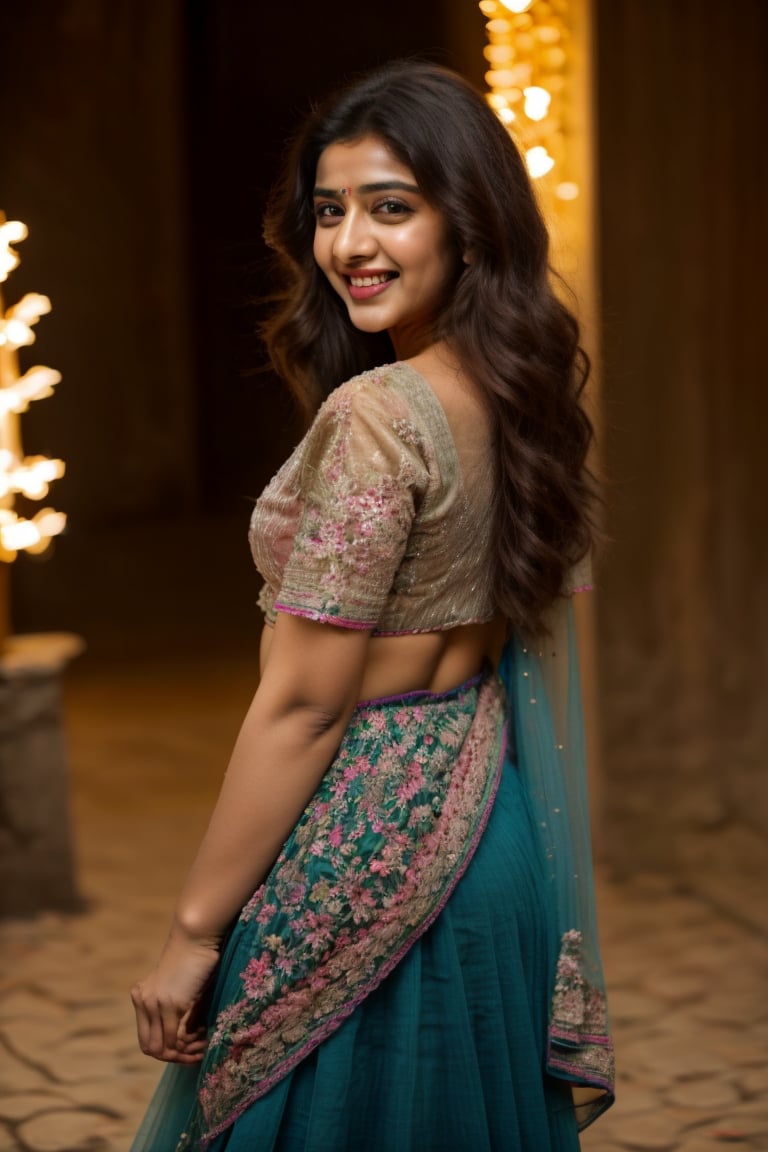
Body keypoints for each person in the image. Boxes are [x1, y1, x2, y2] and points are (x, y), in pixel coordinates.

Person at [130, 60, 614, 1151]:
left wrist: (193, 934)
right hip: (485, 833)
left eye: (391, 209)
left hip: (361, 849)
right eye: (330, 211)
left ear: (471, 223)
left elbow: (305, 704)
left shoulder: (381, 414)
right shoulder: (517, 392)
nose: (351, 244)